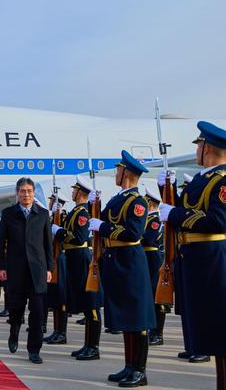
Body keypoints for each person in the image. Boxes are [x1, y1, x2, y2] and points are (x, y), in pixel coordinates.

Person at [158, 121, 226, 390]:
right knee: (212, 335)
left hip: (213, 262)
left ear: (206, 147)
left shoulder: (222, 181)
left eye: (198, 145)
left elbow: (218, 221)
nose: (197, 150)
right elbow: (190, 209)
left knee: (220, 332)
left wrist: (174, 213)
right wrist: (168, 190)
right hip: (196, 261)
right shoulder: (202, 180)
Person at [88, 150, 155, 387]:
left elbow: (133, 233)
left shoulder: (137, 202)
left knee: (138, 318)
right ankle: (129, 366)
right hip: (116, 261)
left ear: (126, 172)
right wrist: (92, 205)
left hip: (130, 262)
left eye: (118, 170)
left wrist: (103, 227)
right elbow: (102, 220)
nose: (116, 173)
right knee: (127, 318)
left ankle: (140, 370)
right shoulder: (118, 198)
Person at [0, 177, 53, 365]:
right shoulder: (8, 214)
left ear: (34, 193)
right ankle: (14, 332)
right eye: (22, 191)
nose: (26, 194)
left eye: (29, 191)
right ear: (17, 193)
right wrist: (0, 266)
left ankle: (34, 350)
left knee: (37, 312)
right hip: (16, 269)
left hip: (38, 270)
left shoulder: (42, 214)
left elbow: (48, 244)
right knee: (16, 307)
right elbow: (0, 243)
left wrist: (50, 268)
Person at [53, 175, 103, 360]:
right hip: (73, 258)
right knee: (85, 303)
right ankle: (87, 344)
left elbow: (79, 237)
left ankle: (93, 347)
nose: (72, 192)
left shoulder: (82, 212)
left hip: (81, 258)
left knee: (91, 304)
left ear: (81, 192)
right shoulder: (76, 210)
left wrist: (60, 232)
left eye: (75, 190)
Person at [43, 192, 69, 345]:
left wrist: (58, 229)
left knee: (61, 296)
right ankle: (56, 331)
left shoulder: (63, 217)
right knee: (54, 297)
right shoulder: (52, 218)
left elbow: (68, 237)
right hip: (53, 260)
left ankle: (62, 333)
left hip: (61, 260)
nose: (50, 203)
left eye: (52, 201)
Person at [142, 187, 166, 346]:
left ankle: (158, 333)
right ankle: (151, 329)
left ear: (150, 203)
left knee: (157, 296)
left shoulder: (155, 220)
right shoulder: (148, 219)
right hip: (146, 258)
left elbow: (149, 239)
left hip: (153, 259)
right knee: (149, 295)